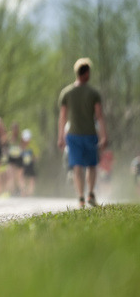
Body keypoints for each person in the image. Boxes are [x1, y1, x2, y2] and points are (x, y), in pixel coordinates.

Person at [57, 57, 107, 208]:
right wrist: (104, 135)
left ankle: (80, 198)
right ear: (86, 73)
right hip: (90, 133)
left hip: (72, 135)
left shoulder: (66, 92)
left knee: (77, 167)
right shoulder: (93, 93)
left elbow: (63, 117)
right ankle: (90, 193)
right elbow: (99, 116)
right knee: (91, 165)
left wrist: (60, 136)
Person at [20, 129, 37, 197]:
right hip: (23, 165)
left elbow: (37, 156)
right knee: (22, 177)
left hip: (30, 165)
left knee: (32, 178)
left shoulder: (32, 146)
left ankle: (30, 192)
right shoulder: (21, 145)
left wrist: (32, 158)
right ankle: (23, 191)